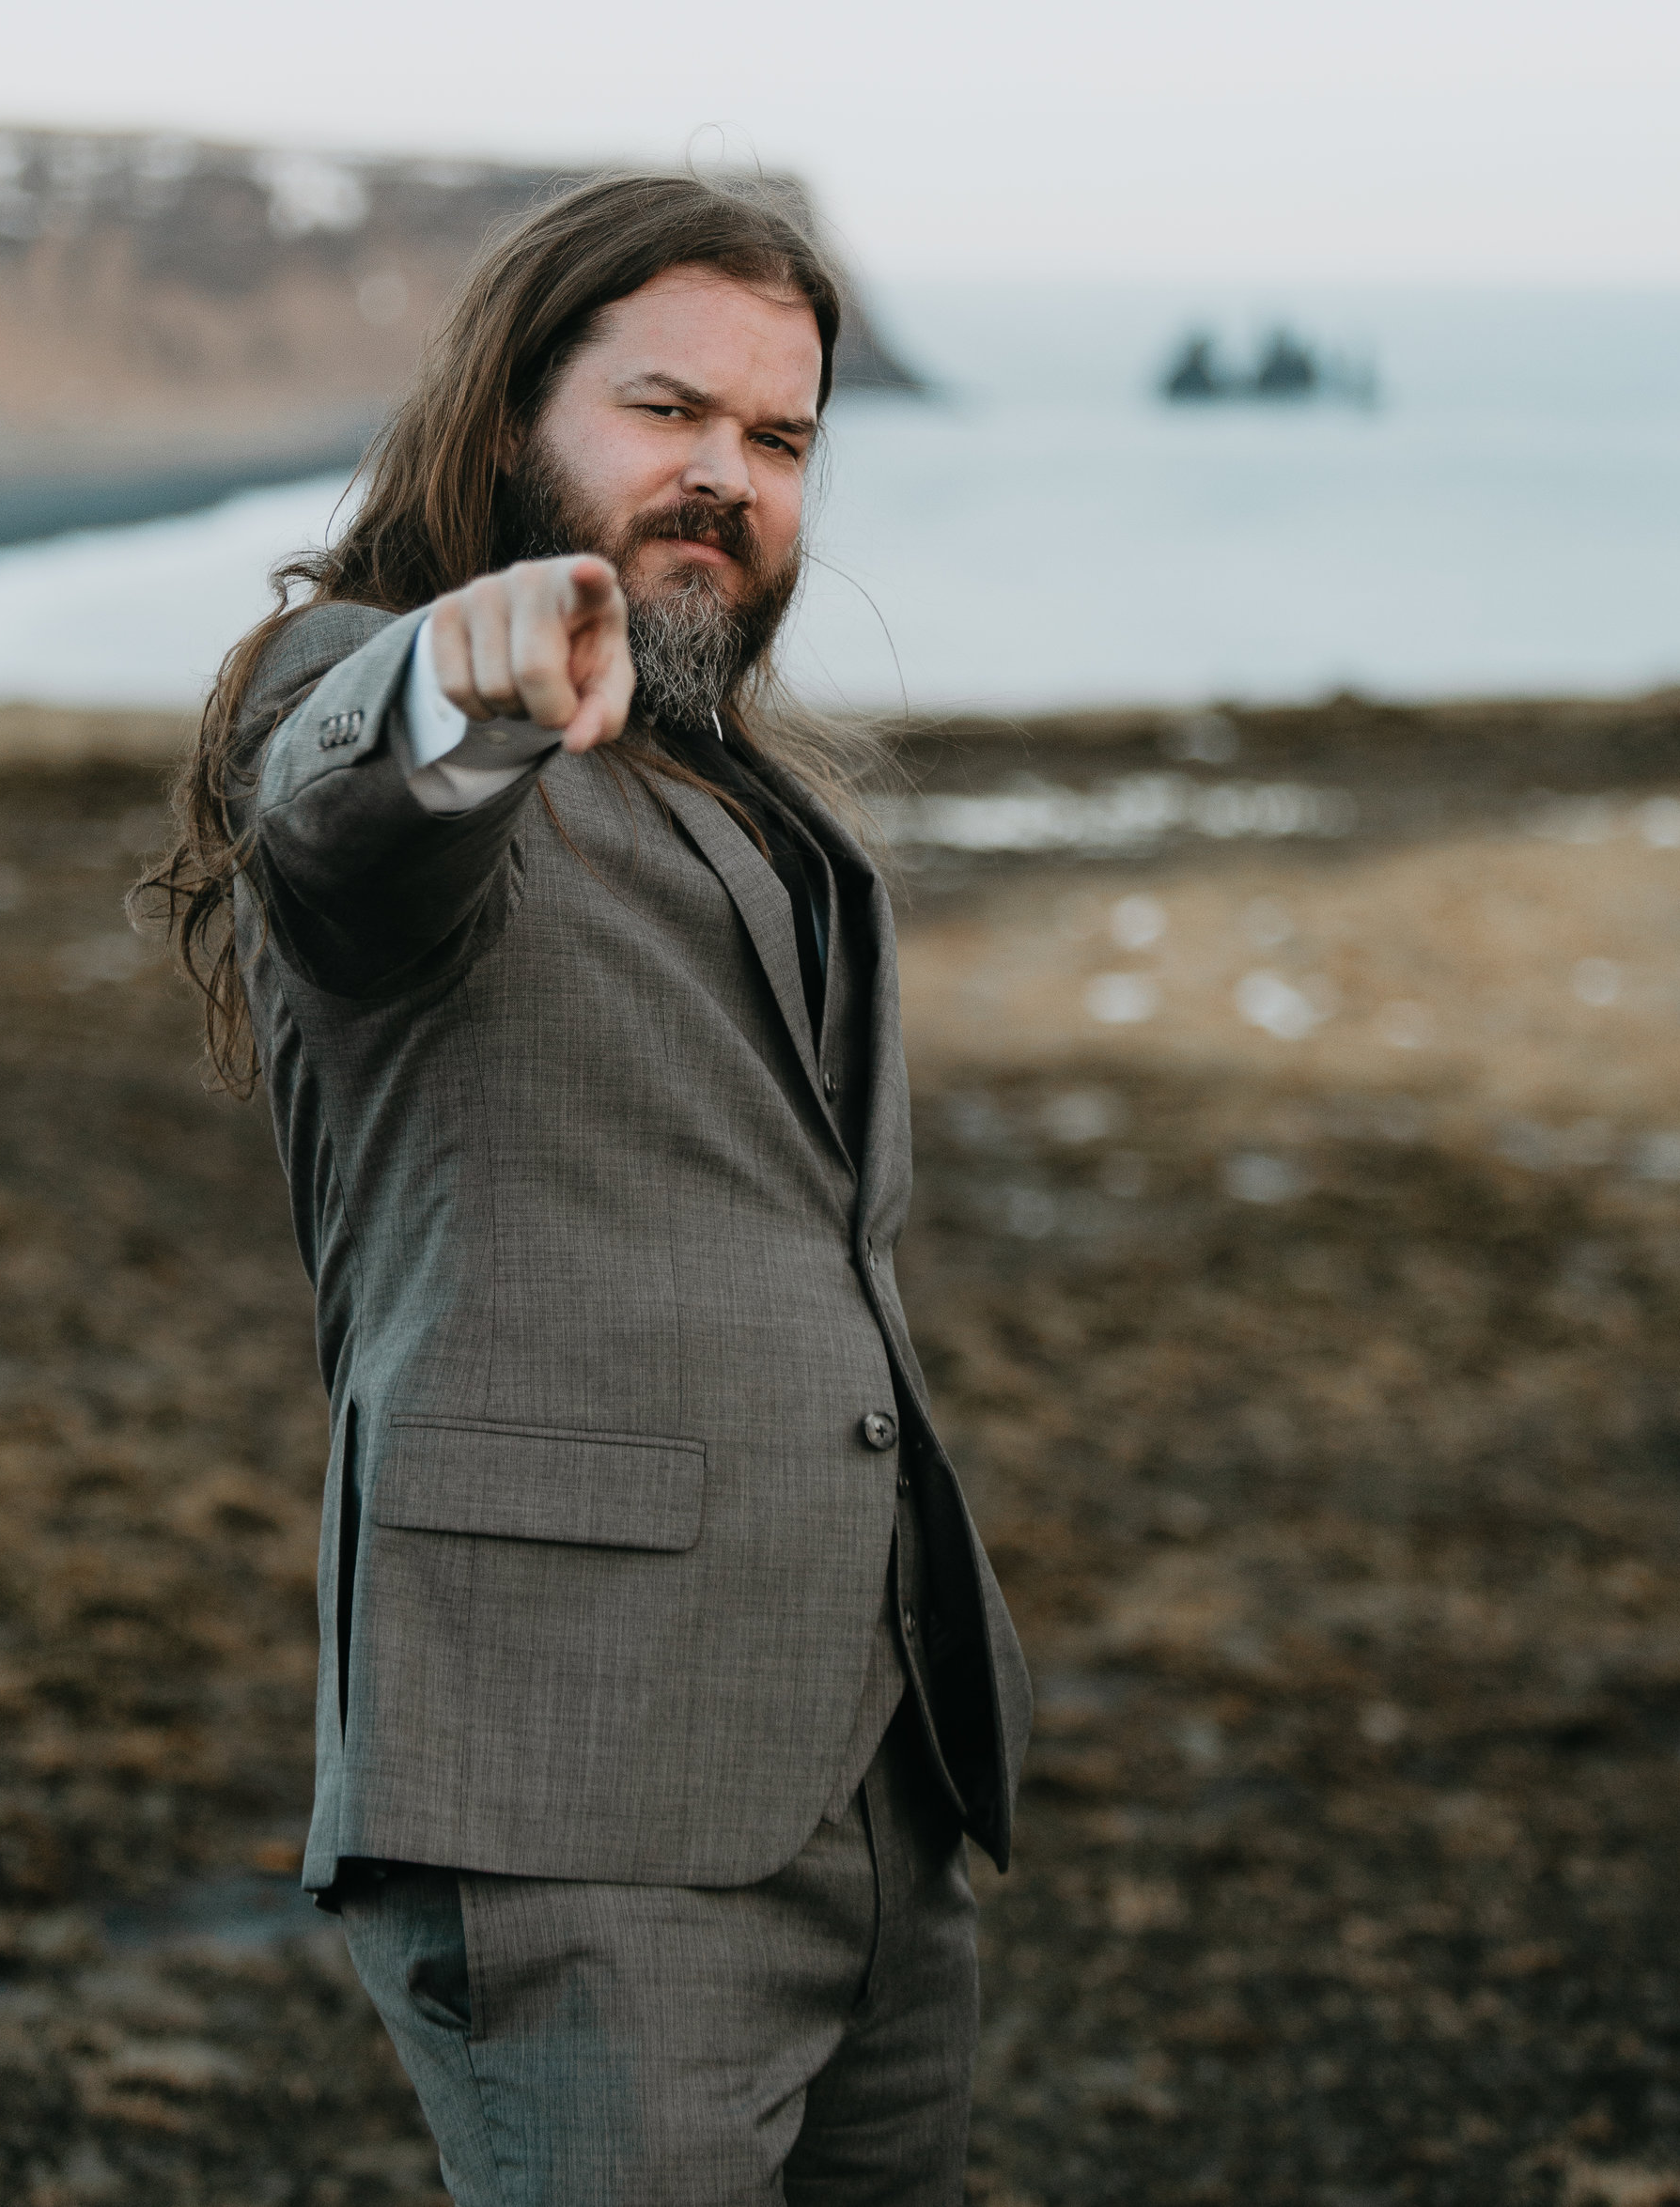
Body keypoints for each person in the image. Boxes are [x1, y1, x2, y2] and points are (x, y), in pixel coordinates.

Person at [149, 173, 1030, 2204]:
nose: (727, 475)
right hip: (576, 1799)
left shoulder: (733, 773)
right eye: (665, 412)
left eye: (780, 437)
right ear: (508, 419)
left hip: (867, 1779)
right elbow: (347, 809)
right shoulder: (361, 685)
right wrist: (464, 680)